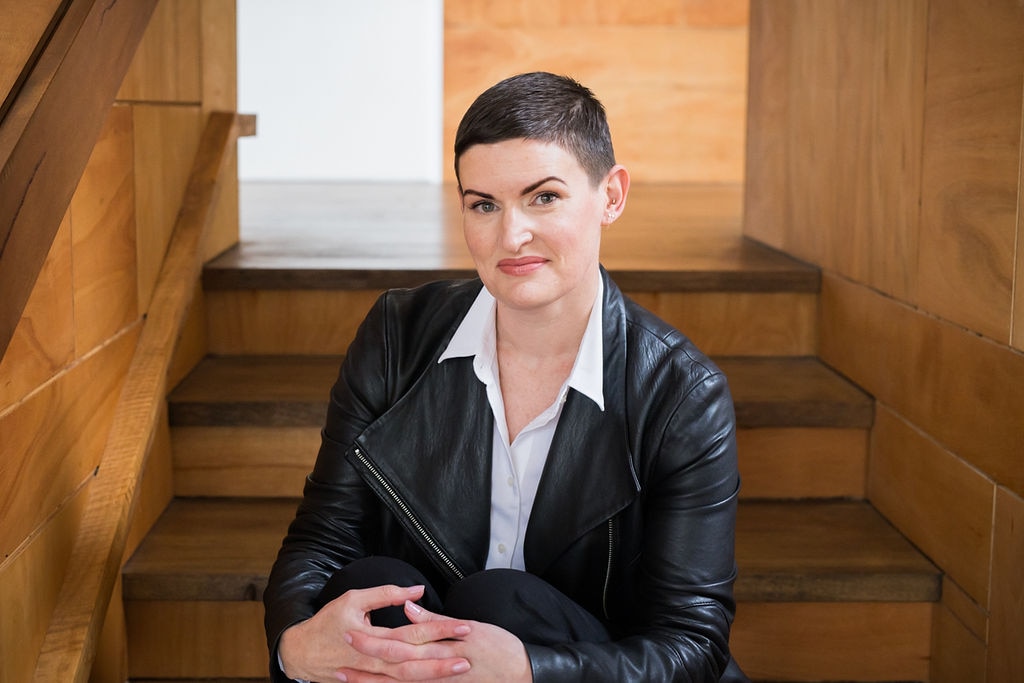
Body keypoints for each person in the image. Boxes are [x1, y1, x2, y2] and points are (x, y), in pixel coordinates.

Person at [264, 71, 748, 683]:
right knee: (368, 593)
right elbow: (324, 536)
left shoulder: (681, 394)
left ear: (612, 196)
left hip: (587, 667)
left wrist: (531, 669)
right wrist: (293, 644)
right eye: (483, 205)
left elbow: (690, 643)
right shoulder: (397, 336)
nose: (510, 235)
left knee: (498, 601)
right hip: (428, 665)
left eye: (543, 197)